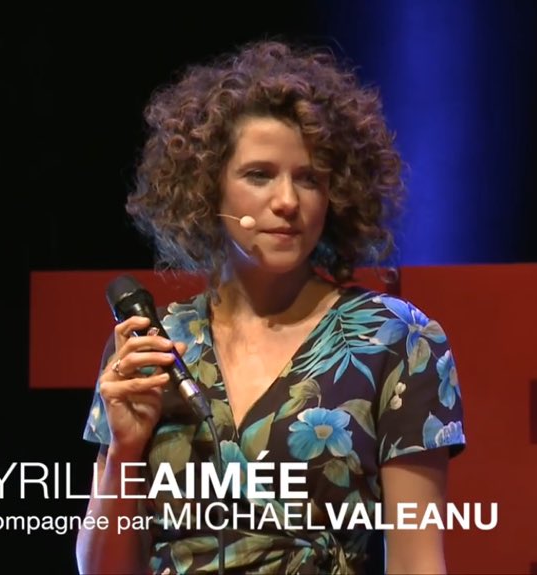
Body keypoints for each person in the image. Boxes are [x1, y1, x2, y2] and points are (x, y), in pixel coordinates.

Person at [76, 40, 466, 575]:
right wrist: (123, 451)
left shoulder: (396, 341)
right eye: (259, 175)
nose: (287, 200)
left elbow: (418, 564)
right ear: (207, 189)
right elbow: (101, 570)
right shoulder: (156, 345)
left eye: (309, 177)